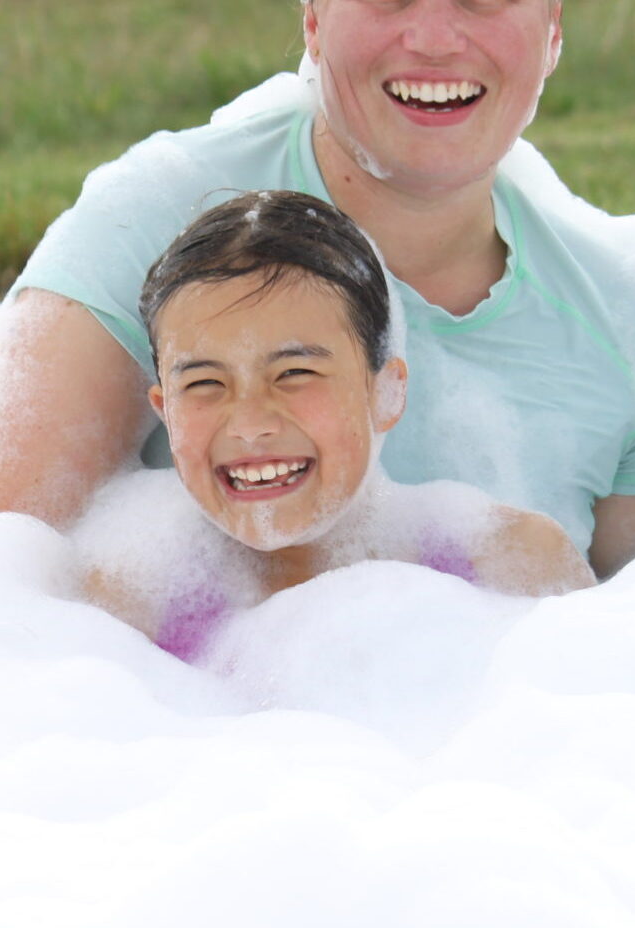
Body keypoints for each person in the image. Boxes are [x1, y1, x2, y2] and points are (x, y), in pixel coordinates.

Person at [0, 0, 635, 576]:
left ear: (551, 33)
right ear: (312, 18)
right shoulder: (156, 217)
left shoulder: (622, 323)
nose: (434, 38)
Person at [78, 191, 592, 662]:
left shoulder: (510, 567)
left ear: (386, 392)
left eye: (294, 373)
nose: (251, 424)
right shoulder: (131, 607)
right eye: (206, 383)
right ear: (165, 412)